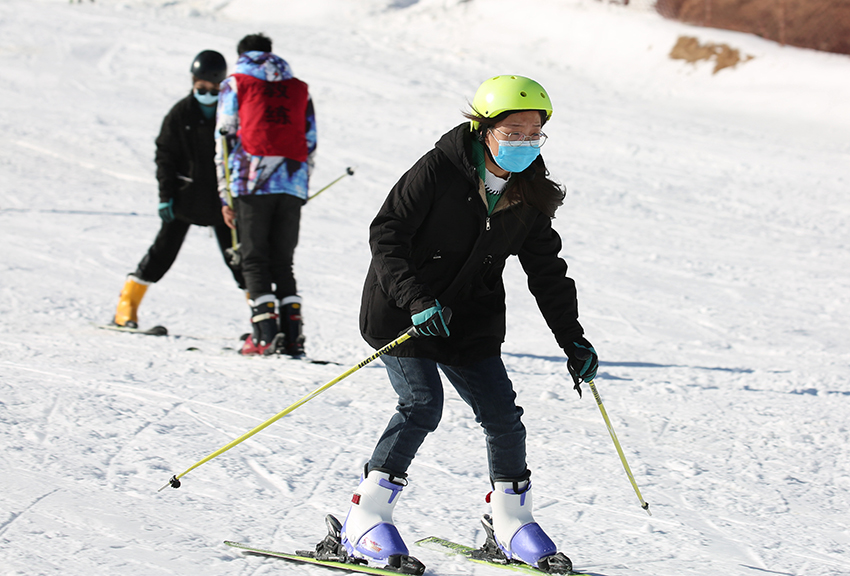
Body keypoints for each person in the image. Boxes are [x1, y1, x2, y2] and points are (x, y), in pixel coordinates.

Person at [333, 75, 600, 574]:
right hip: (402, 309)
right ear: (483, 129)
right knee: (421, 405)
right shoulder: (438, 170)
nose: (524, 142)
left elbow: (547, 272)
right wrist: (415, 299)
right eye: (513, 131)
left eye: (534, 132)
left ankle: (511, 521)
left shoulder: (530, 191)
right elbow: (386, 234)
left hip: (470, 318)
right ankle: (365, 519)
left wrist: (573, 340)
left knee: (502, 415)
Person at [113, 50, 245, 329]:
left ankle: (263, 323)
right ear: (193, 81)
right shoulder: (180, 113)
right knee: (162, 252)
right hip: (185, 199)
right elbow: (165, 156)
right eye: (201, 87)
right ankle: (126, 307)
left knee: (240, 261)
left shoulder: (230, 114)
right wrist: (166, 197)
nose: (206, 93)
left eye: (213, 87)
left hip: (222, 203)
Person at [215, 33, 317, 356]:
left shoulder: (237, 82)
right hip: (292, 181)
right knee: (283, 261)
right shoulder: (298, 88)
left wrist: (224, 194)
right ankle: (292, 335)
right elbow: (310, 139)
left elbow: (224, 138)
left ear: (242, 54)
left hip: (251, 180)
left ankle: (264, 334)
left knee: (254, 257)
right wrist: (299, 184)